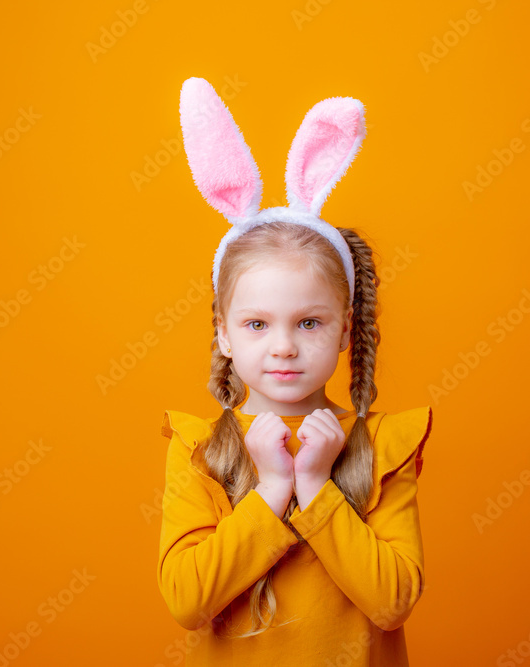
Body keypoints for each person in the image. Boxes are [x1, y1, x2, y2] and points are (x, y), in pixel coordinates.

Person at [157, 77, 433, 666]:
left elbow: (393, 602)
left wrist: (315, 485)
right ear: (224, 334)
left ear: (343, 329)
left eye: (309, 323)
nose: (283, 347)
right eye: (257, 325)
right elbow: (186, 600)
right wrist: (273, 489)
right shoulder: (198, 450)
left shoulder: (385, 447)